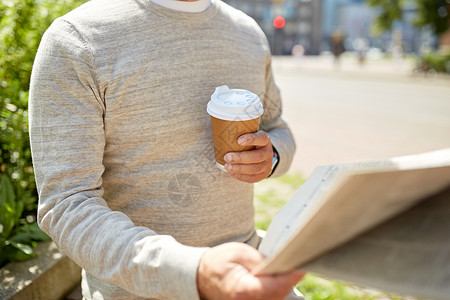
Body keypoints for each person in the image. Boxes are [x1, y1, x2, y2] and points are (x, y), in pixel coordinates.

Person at [28, 0, 303, 299]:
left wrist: (271, 155)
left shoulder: (248, 33)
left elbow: (279, 129)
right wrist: (192, 271)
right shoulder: (77, 39)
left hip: (253, 276)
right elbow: (67, 204)